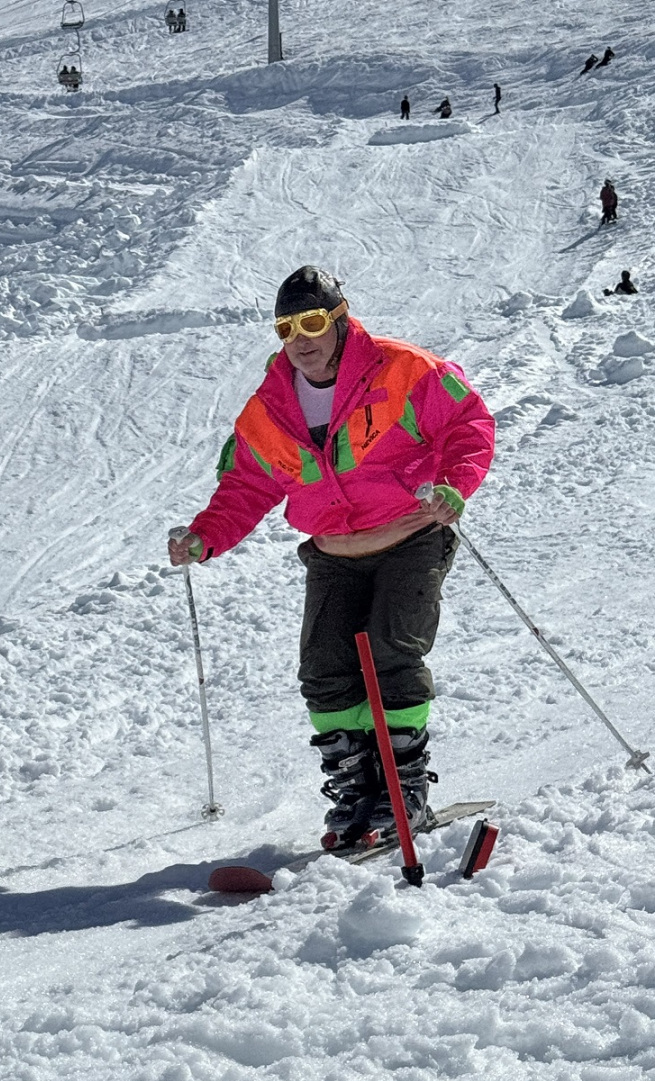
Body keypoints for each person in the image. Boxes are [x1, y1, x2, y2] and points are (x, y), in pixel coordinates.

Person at [168, 266, 495, 851]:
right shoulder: (268, 410)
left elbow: (467, 423)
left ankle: (403, 788)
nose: (301, 339)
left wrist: (454, 484)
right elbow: (246, 486)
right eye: (287, 328)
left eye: (314, 322)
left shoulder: (404, 369)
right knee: (324, 669)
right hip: (334, 551)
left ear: (341, 321)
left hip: (410, 534)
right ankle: (356, 792)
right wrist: (204, 537)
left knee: (394, 652)